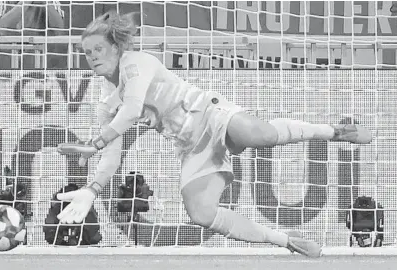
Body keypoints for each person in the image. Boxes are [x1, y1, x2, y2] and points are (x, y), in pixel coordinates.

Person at [55, 10, 372, 257]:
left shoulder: (135, 63)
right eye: (86, 52)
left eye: (98, 48)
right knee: (201, 213)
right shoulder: (105, 102)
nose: (92, 56)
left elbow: (134, 107)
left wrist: (95, 142)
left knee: (262, 136)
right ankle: (287, 241)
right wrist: (92, 190)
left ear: (116, 46)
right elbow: (111, 156)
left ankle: (334, 131)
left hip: (207, 112)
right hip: (191, 145)